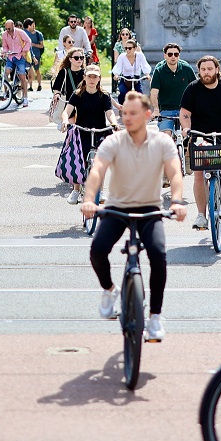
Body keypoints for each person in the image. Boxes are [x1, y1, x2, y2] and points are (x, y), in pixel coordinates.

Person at [81, 91, 187, 341]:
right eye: (124, 113)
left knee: (159, 255)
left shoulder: (162, 142)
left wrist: (177, 201)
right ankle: (109, 290)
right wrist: (88, 199)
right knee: (98, 249)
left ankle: (156, 317)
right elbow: (97, 170)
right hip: (117, 207)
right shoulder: (113, 141)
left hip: (150, 208)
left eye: (132, 114)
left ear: (147, 115)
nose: (126, 118)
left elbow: (175, 174)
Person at [179, 55, 221, 229]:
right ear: (199, 71)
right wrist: (186, 128)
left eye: (210, 69)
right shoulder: (192, 89)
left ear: (217, 70)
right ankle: (201, 215)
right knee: (199, 173)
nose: (206, 72)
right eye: (203, 69)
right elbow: (185, 113)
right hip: (201, 134)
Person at [62, 65, 117, 204]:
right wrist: (65, 121)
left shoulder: (104, 95)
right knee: (80, 160)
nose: (92, 79)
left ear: (99, 79)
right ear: (84, 77)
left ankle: (101, 190)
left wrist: (114, 123)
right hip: (82, 131)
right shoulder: (78, 94)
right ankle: (76, 190)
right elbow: (67, 111)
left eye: (95, 77)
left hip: (100, 131)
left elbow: (109, 112)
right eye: (89, 76)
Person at [150, 42, 196, 134]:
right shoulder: (159, 71)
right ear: (165, 56)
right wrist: (156, 110)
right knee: (166, 136)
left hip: (185, 109)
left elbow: (196, 89)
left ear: (179, 56)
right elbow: (154, 93)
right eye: (170, 54)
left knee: (189, 135)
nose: (173, 57)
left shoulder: (187, 68)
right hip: (166, 110)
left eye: (176, 54)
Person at [0, 18, 33, 108]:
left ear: (13, 25)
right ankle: (5, 92)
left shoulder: (20, 32)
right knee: (6, 72)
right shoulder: (4, 35)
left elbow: (28, 41)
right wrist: (4, 52)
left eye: (9, 29)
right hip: (10, 56)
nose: (8, 31)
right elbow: (5, 46)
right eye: (6, 29)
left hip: (19, 56)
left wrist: (24, 51)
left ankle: (25, 97)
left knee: (22, 76)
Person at [112, 39, 152, 104]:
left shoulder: (140, 55)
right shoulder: (122, 56)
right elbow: (118, 66)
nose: (127, 50)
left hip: (136, 79)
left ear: (135, 48)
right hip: (125, 79)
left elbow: (144, 65)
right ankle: (122, 107)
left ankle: (140, 110)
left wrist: (147, 74)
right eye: (126, 48)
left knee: (140, 95)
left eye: (130, 48)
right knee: (123, 93)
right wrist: (116, 74)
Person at [24, 19, 45, 93]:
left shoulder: (38, 34)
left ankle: (39, 85)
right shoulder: (26, 33)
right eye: (33, 25)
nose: (34, 26)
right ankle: (30, 87)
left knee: (37, 70)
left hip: (36, 55)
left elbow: (42, 46)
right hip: (28, 56)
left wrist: (33, 44)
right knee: (30, 72)